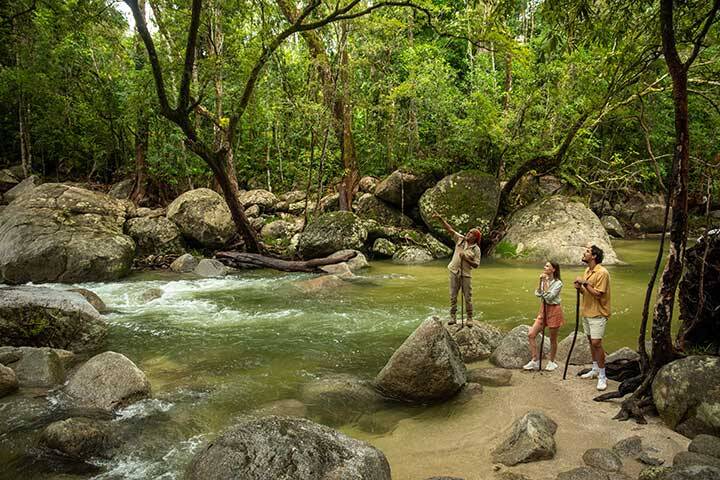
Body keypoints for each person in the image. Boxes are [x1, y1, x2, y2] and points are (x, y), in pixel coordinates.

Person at [432, 212, 482, 328]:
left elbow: (476, 265)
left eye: (471, 233)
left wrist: (466, 259)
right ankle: (453, 316)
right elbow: (449, 229)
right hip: (454, 271)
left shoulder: (476, 249)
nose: (468, 234)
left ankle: (469, 317)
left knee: (468, 297)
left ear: (475, 238)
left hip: (466, 274)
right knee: (453, 295)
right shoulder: (460, 239)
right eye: (469, 232)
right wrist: (440, 219)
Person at [574, 244, 611, 391]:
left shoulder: (602, 272)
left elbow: (598, 294)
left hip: (598, 313)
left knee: (596, 343)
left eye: (588, 252)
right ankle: (595, 369)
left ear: (594, 256)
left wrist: (585, 283)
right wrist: (580, 288)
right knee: (590, 341)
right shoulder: (587, 270)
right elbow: (588, 292)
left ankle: (603, 375)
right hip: (587, 312)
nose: (584, 253)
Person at [523, 261, 565, 371]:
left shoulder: (558, 283)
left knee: (553, 338)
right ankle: (535, 360)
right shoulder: (544, 280)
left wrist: (545, 283)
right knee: (531, 334)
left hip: (554, 310)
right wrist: (540, 281)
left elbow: (549, 297)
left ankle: (552, 362)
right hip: (543, 309)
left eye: (547, 266)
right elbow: (538, 293)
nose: (544, 267)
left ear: (553, 269)